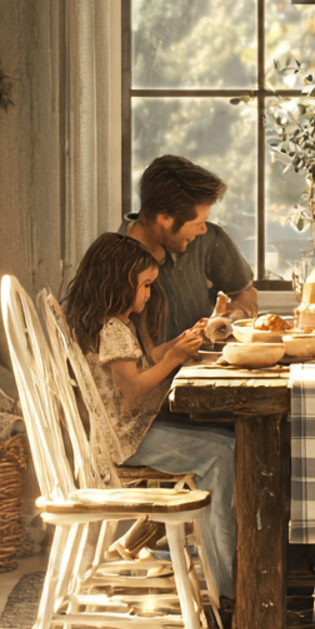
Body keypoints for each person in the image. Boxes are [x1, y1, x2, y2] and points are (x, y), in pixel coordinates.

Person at [63, 232, 236, 599]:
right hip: (125, 439)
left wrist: (177, 344)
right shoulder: (112, 328)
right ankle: (226, 586)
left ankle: (217, 564)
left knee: (225, 443)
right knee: (223, 453)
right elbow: (135, 389)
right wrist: (174, 359)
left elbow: (142, 365)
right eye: (144, 286)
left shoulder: (111, 323)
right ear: (117, 284)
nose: (148, 294)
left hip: (128, 432)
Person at [123, 155, 258, 340]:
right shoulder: (113, 261)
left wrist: (232, 319)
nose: (203, 229)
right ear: (165, 218)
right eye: (197, 222)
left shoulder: (208, 239)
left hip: (205, 365)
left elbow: (245, 292)